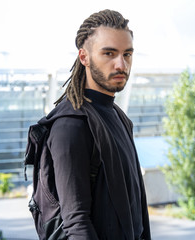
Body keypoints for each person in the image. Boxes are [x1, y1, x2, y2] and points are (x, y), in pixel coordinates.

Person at [41, 9, 151, 239]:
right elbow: (76, 222)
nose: (121, 64)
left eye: (127, 54)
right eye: (109, 53)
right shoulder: (71, 125)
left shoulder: (119, 117)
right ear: (84, 57)